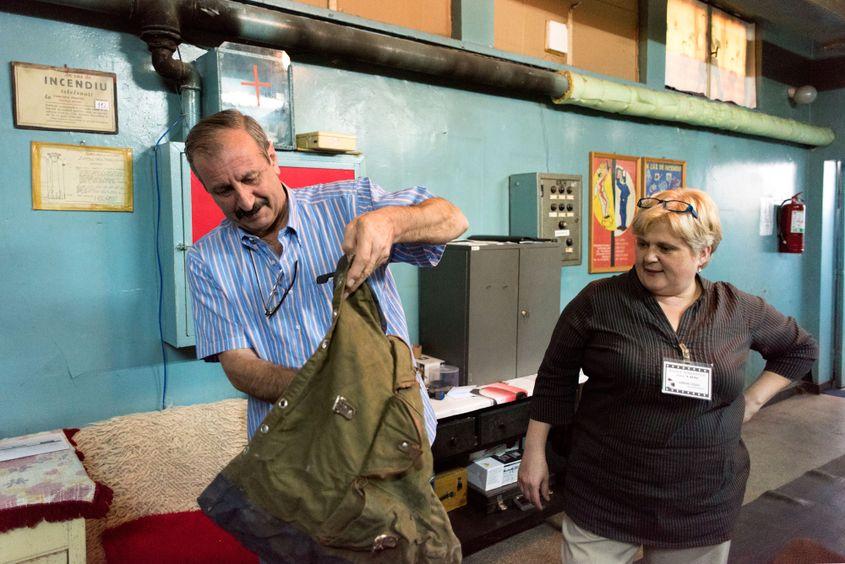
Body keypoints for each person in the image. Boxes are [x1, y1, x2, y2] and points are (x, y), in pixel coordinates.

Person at [518, 188, 818, 564]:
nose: (649, 257)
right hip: (607, 491)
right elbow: (554, 377)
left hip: (700, 499)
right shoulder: (599, 301)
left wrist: (752, 402)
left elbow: (800, 348)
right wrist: (533, 453)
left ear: (703, 253)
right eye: (642, 243)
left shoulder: (736, 308)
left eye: (666, 248)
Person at [183, 109, 468, 443]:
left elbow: (452, 220)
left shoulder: (349, 203)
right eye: (223, 191)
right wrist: (338, 394)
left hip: (392, 437)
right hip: (296, 454)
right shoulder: (206, 259)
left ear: (272, 159)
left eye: (250, 178)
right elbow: (239, 365)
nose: (244, 201)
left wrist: (391, 222)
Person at [615, 166, 631, 231]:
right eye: (617, 173)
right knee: (621, 212)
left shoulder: (622, 181)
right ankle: (622, 225)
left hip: (623, 199)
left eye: (618, 173)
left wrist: (624, 198)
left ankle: (623, 226)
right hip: (622, 198)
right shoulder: (619, 181)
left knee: (622, 212)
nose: (617, 174)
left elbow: (626, 190)